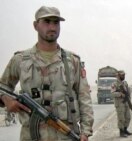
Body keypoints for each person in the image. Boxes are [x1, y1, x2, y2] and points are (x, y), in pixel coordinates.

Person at [0, 6, 93, 141]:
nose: (52, 27)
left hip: (66, 135)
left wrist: (85, 132)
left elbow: (84, 97)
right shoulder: (20, 60)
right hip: (31, 136)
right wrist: (7, 100)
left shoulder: (72, 61)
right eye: (47, 22)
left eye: (56, 22)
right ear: (35, 25)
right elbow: (3, 86)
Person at [111, 70, 132, 137]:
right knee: (121, 118)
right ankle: (121, 132)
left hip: (126, 103)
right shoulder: (114, 84)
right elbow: (112, 94)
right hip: (119, 104)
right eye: (122, 75)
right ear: (118, 75)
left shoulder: (125, 83)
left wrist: (129, 100)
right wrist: (120, 94)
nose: (124, 76)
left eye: (124, 75)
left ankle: (125, 130)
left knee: (128, 117)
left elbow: (128, 93)